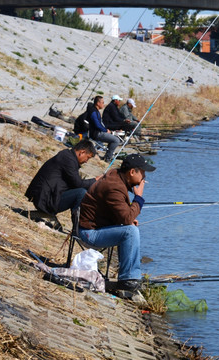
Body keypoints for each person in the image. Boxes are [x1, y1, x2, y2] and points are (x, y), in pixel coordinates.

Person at [78, 154, 156, 295]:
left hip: (96, 227)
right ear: (132, 172)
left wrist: (128, 218)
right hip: (89, 233)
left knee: (130, 228)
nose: (144, 177)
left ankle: (129, 276)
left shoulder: (116, 177)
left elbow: (122, 214)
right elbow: (126, 218)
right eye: (142, 172)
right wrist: (138, 198)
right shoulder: (115, 186)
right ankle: (128, 279)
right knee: (130, 232)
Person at [25, 140, 97, 216]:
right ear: (82, 152)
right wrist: (95, 180)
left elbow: (74, 182)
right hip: (45, 199)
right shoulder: (69, 160)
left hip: (45, 196)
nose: (86, 161)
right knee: (81, 193)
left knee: (81, 190)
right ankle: (77, 227)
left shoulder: (67, 155)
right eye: (87, 158)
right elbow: (78, 184)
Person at [88, 95, 121, 163]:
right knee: (116, 140)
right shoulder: (93, 112)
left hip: (99, 132)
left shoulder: (96, 111)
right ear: (98, 103)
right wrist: (106, 130)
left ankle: (107, 156)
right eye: (102, 102)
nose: (103, 104)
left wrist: (107, 130)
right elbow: (97, 125)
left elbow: (100, 124)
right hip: (96, 134)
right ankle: (108, 158)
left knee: (113, 138)